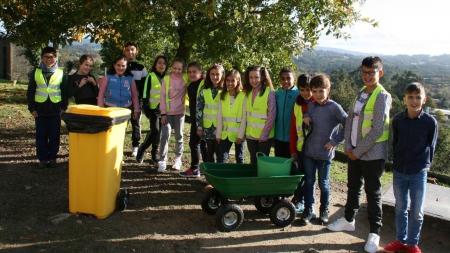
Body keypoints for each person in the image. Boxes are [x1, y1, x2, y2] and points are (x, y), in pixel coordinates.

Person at [327, 56, 392, 253]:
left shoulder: (382, 96)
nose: (367, 76)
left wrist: (357, 151)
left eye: (371, 72)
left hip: (372, 154)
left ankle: (374, 232)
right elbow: (350, 122)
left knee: (373, 193)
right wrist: (348, 147)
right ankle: (348, 219)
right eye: (364, 72)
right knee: (353, 187)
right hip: (353, 150)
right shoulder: (360, 93)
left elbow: (378, 130)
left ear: (379, 73)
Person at [383, 83, 438, 253]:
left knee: (417, 211)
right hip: (400, 171)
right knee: (400, 207)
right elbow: (396, 143)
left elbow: (432, 146)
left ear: (424, 100)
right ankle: (400, 240)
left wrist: (425, 165)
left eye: (418, 97)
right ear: (404, 99)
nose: (414, 101)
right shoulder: (398, 120)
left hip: (418, 173)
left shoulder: (430, 122)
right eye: (411, 97)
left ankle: (412, 243)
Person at [299, 74, 347, 225]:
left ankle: (324, 209)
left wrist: (335, 140)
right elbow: (307, 113)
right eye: (315, 91)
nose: (318, 95)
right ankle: (308, 209)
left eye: (321, 91)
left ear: (328, 90)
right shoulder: (311, 105)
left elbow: (348, 123)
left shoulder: (334, 107)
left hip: (325, 154)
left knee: (323, 183)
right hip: (309, 152)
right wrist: (306, 116)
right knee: (309, 181)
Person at [26, 46, 68, 169]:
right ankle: (43, 159)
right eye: (45, 57)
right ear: (41, 58)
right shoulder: (36, 72)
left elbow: (64, 92)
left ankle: (52, 157)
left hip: (55, 110)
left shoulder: (61, 72)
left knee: (54, 135)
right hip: (40, 110)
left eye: (51, 57)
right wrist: (32, 108)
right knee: (41, 135)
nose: (48, 59)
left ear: (55, 58)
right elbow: (30, 91)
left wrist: (64, 107)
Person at [136, 55, 168, 164]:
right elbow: (145, 93)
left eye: (164, 63)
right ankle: (142, 149)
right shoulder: (151, 76)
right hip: (153, 109)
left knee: (159, 133)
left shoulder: (167, 78)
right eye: (159, 62)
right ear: (155, 65)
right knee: (155, 130)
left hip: (163, 110)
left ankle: (155, 155)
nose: (161, 65)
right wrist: (146, 109)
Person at [158, 57, 188, 172]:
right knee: (165, 134)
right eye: (175, 68)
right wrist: (163, 114)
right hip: (167, 113)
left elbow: (197, 77)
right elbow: (162, 96)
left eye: (179, 69)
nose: (177, 71)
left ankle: (178, 158)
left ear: (182, 70)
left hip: (180, 112)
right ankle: (162, 159)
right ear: (171, 68)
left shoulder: (185, 78)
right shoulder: (166, 79)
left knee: (179, 135)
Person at [179, 62, 208, 178]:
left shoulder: (203, 83)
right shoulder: (191, 85)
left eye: (194, 72)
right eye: (189, 72)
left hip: (202, 118)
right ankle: (205, 168)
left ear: (200, 72)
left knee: (195, 143)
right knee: (202, 144)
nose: (191, 74)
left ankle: (195, 168)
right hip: (195, 118)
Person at [289, 74, 313, 213]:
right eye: (302, 89)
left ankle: (304, 202)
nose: (306, 93)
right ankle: (298, 199)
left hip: (312, 149)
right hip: (299, 148)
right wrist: (292, 149)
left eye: (308, 89)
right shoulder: (297, 105)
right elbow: (293, 129)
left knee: (308, 177)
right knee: (299, 175)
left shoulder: (315, 104)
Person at [243, 66, 276, 164]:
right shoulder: (247, 93)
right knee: (253, 159)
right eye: (251, 77)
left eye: (256, 77)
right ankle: (253, 179)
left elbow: (272, 115)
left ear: (262, 77)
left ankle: (261, 179)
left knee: (262, 161)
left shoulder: (269, 93)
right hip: (250, 134)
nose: (253, 80)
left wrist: (264, 134)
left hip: (264, 136)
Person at [97, 55, 140, 128]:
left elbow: (134, 95)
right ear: (114, 65)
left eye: (123, 66)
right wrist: (100, 108)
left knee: (123, 129)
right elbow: (101, 94)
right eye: (118, 65)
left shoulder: (130, 79)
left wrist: (136, 110)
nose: (121, 68)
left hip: (126, 108)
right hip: (110, 108)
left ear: (126, 66)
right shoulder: (107, 77)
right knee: (111, 129)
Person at [196, 63, 225, 163]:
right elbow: (199, 107)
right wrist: (199, 126)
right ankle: (209, 173)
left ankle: (219, 173)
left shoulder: (225, 90)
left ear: (222, 75)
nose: (215, 77)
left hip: (220, 126)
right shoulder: (204, 88)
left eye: (217, 74)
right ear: (209, 75)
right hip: (207, 125)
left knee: (219, 150)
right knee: (209, 150)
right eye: (212, 74)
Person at [216, 69, 246, 164]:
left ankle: (239, 177)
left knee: (239, 157)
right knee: (221, 157)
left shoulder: (243, 96)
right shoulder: (223, 95)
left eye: (233, 80)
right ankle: (219, 177)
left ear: (238, 81)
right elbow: (220, 117)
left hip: (239, 135)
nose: (230, 83)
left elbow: (245, 118)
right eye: (227, 80)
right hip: (226, 134)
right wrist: (218, 134)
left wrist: (240, 136)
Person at [124, 42, 148, 157]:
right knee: (121, 124)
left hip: (136, 102)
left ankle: (135, 146)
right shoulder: (120, 65)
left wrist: (142, 102)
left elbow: (145, 87)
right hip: (121, 101)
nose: (130, 52)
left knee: (136, 124)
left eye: (132, 50)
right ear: (124, 52)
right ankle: (118, 144)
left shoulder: (141, 68)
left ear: (136, 52)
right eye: (127, 50)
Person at [274, 67, 299, 158]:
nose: (286, 81)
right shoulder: (276, 94)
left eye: (288, 78)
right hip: (278, 137)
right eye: (283, 79)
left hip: (293, 138)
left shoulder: (299, 94)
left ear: (294, 79)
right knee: (279, 164)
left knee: (293, 166)